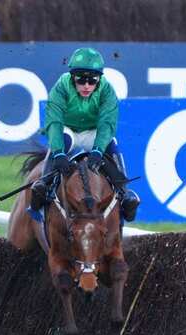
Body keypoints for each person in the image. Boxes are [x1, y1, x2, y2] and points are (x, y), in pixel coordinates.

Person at [31, 47, 140, 222]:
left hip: (93, 130)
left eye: (92, 80)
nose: (87, 86)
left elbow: (107, 123)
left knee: (111, 143)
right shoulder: (61, 87)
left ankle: (124, 193)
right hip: (67, 128)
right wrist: (59, 153)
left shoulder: (107, 90)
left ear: (99, 79)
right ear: (72, 77)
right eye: (81, 80)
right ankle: (43, 185)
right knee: (62, 142)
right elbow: (54, 122)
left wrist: (97, 150)